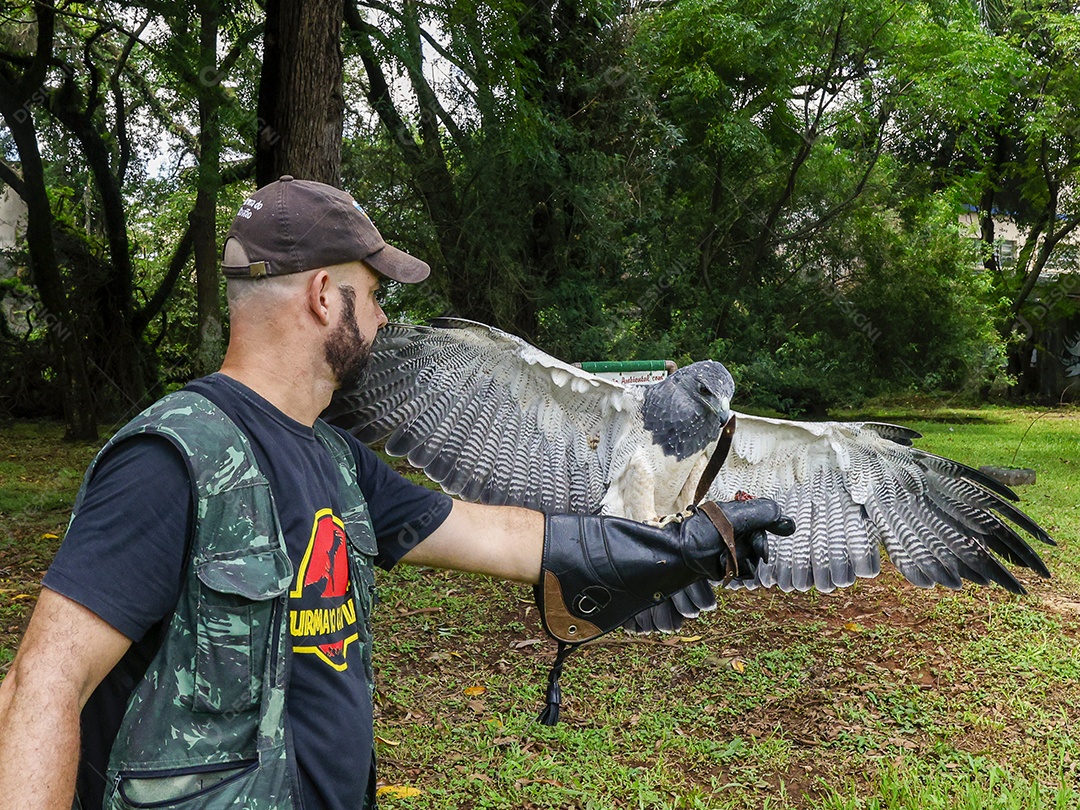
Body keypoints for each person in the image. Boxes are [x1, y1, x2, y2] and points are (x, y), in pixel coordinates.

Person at [0, 177, 792, 810]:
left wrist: (684, 548)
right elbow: (40, 686)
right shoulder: (173, 458)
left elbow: (502, 537)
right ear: (322, 296)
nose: (381, 320)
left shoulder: (338, 462)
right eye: (373, 295)